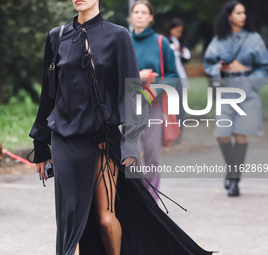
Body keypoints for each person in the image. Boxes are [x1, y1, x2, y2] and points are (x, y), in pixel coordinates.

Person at [30, 0, 214, 254]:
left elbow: (131, 93)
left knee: (106, 219)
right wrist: (40, 144)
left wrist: (129, 143)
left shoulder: (117, 35)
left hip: (102, 141)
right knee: (70, 222)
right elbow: (48, 95)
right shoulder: (56, 36)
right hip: (64, 140)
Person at [204, 1, 268, 197]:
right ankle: (231, 170)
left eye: (244, 13)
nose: (243, 16)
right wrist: (221, 69)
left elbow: (267, 69)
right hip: (226, 91)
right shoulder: (219, 39)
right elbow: (209, 64)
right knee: (222, 134)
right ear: (229, 16)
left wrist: (246, 74)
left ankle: (234, 180)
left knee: (240, 134)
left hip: (248, 92)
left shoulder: (254, 39)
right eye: (238, 13)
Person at [130, 0, 179, 199]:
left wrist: (155, 91)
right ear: (131, 16)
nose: (139, 15)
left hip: (153, 104)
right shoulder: (123, 41)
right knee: (132, 152)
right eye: (136, 12)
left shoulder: (161, 42)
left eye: (144, 12)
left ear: (150, 18)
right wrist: (137, 76)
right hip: (129, 103)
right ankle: (138, 196)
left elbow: (173, 75)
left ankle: (151, 198)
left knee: (151, 153)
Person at [165, 18, 191, 88]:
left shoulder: (180, 41)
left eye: (180, 31)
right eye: (177, 31)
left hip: (179, 67)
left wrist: (180, 50)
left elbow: (187, 56)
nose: (179, 33)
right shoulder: (166, 40)